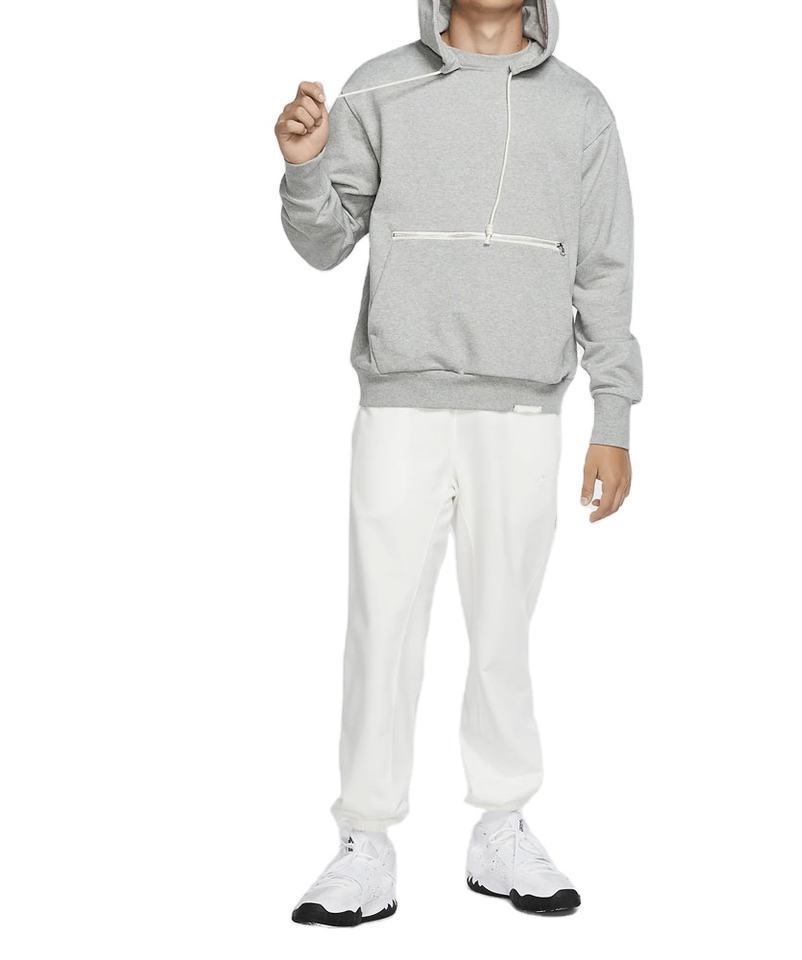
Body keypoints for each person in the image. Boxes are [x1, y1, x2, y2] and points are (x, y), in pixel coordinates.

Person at [275, 0, 641, 924]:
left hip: (523, 405)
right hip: (401, 400)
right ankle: (365, 840)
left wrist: (613, 414)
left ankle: (502, 828)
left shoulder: (581, 109)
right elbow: (324, 242)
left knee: (504, 629)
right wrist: (304, 166)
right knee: (381, 625)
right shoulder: (379, 87)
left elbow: (605, 267)